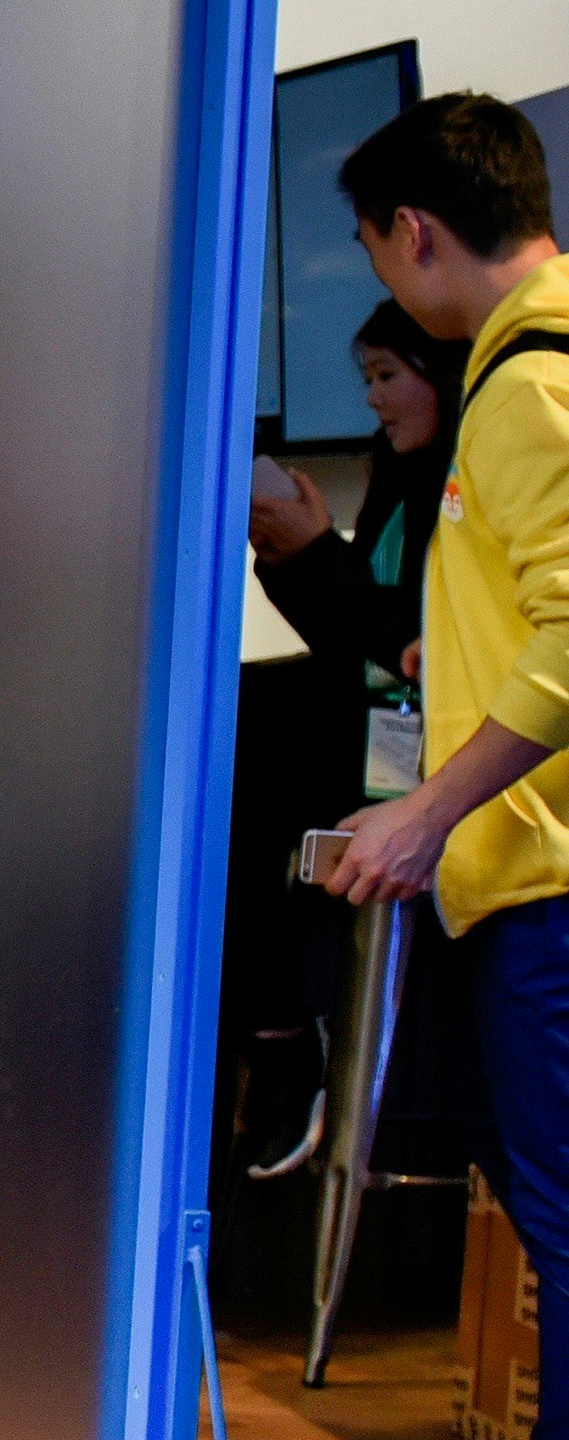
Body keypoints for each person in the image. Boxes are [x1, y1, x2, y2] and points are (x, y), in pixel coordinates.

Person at [316, 93, 569, 1440]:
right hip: (523, 870)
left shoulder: (528, 386)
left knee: (562, 1210)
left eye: (374, 250)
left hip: (544, 877)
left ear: (415, 232)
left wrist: (429, 810)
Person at [224, 301, 469, 1179]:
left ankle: (290, 1049)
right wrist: (297, 558)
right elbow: (365, 641)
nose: (374, 400)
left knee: (264, 737)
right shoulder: (400, 473)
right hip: (383, 729)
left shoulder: (468, 481)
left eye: (386, 377)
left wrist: (315, 555)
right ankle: (278, 1037)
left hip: (439, 750)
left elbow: (417, 646)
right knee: (241, 715)